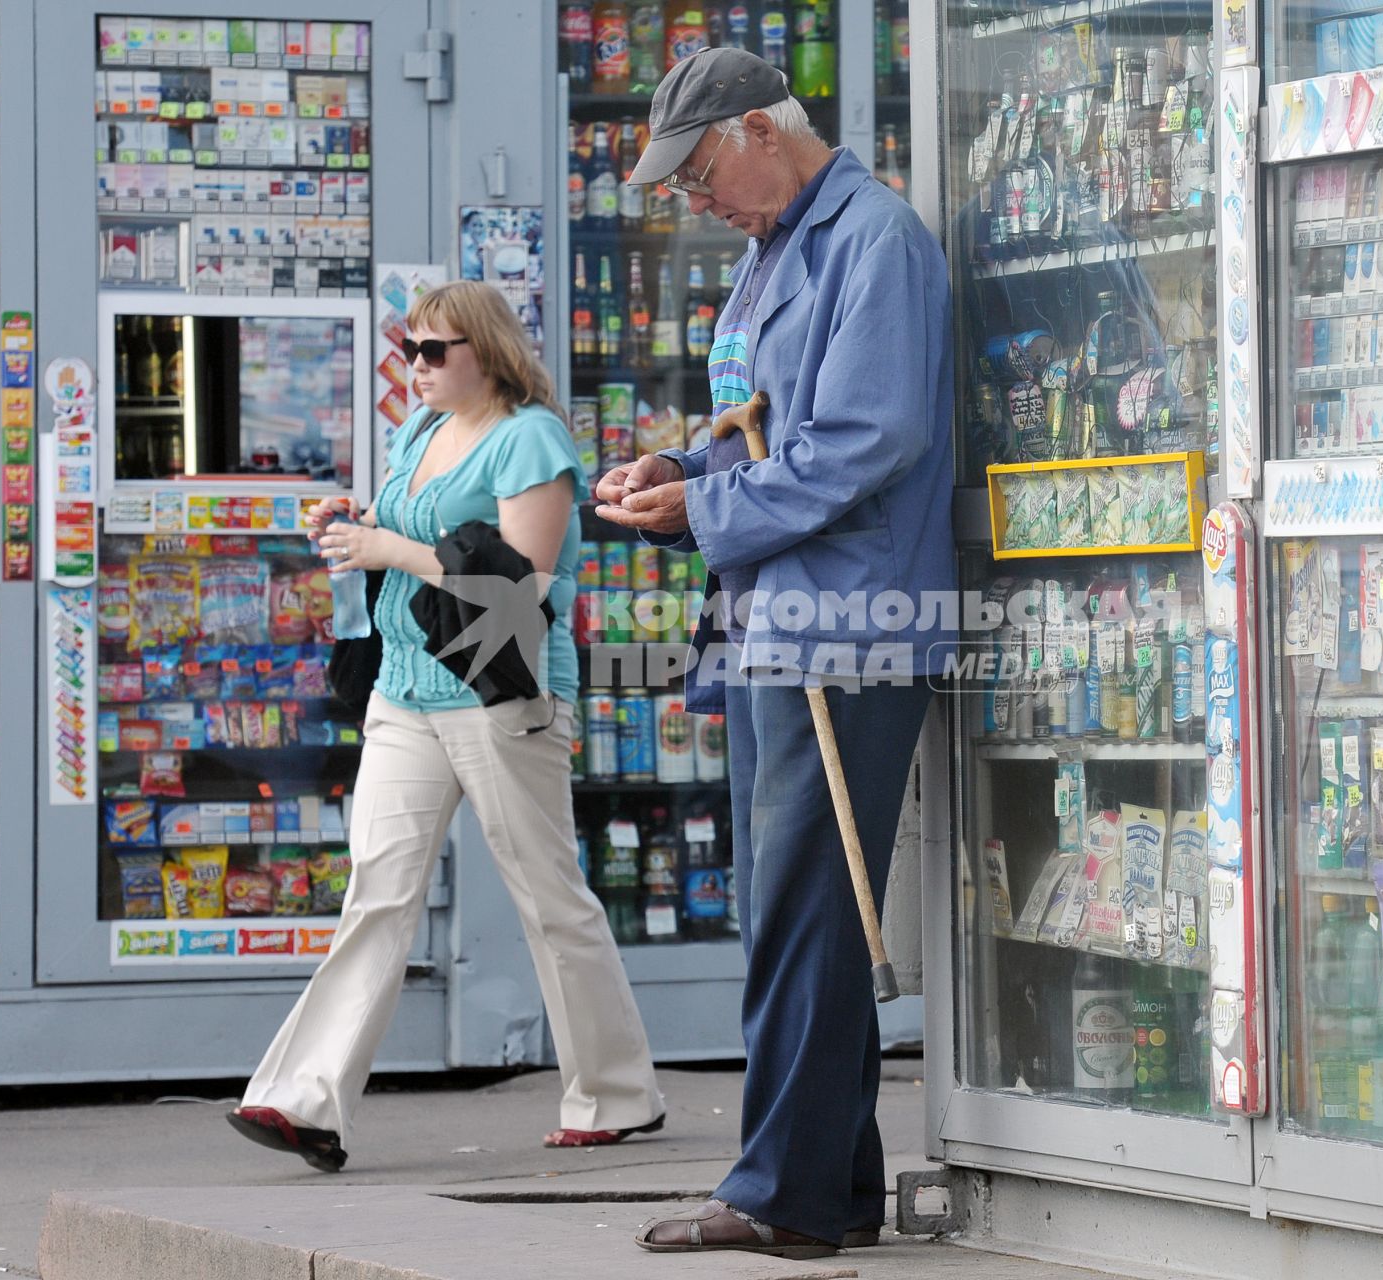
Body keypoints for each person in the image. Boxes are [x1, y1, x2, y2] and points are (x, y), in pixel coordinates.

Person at [596, 49, 955, 1260]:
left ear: (760, 128)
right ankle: (830, 1181)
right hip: (780, 612)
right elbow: (762, 431)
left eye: (701, 173)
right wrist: (681, 474)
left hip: (851, 622)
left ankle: (778, 1192)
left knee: (804, 902)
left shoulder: (875, 240)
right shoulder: (770, 253)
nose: (698, 201)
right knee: (793, 904)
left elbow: (867, 435)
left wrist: (705, 506)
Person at [227, 281, 665, 1171]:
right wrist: (355, 522)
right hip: (404, 689)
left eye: (436, 350)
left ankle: (616, 1094)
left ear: (489, 352)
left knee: (548, 897)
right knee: (375, 895)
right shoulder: (418, 432)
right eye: (409, 348)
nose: (416, 366)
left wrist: (391, 549)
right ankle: (304, 1102)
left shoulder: (529, 438)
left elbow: (526, 584)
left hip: (500, 695)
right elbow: (405, 529)